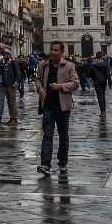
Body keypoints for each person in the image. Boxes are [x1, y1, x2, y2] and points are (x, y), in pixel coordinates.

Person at [34, 41, 80, 177]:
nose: (52, 52)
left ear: (61, 52)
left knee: (63, 136)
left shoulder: (69, 66)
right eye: (51, 50)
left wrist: (60, 86)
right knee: (47, 135)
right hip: (47, 105)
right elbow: (37, 79)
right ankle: (45, 164)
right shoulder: (43, 64)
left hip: (63, 106)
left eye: (55, 50)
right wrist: (40, 88)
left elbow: (76, 83)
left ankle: (62, 162)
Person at [91, 55, 110, 120]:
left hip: (96, 81)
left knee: (100, 96)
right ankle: (104, 109)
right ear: (101, 57)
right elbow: (108, 73)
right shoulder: (105, 64)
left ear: (96, 57)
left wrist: (93, 78)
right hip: (104, 81)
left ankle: (102, 111)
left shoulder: (93, 64)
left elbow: (89, 73)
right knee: (103, 95)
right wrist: (109, 81)